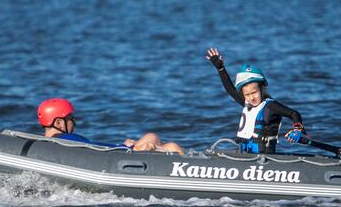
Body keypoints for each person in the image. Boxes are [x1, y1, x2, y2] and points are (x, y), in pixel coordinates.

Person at [205, 47, 306, 154]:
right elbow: (230, 90)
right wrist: (221, 69)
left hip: (264, 158)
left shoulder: (270, 106)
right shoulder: (247, 103)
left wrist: (297, 128)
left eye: (254, 93)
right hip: (247, 155)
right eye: (247, 94)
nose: (251, 97)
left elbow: (293, 113)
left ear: (262, 89)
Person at [37, 98, 184, 155]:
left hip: (120, 150)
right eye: (70, 118)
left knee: (170, 146)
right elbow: (93, 147)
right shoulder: (66, 138)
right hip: (123, 153)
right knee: (158, 139)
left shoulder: (51, 141)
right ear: (58, 123)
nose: (73, 122)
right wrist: (122, 146)